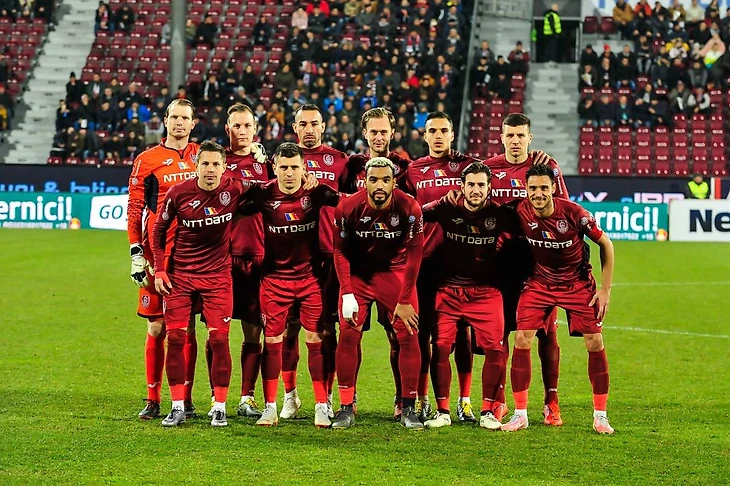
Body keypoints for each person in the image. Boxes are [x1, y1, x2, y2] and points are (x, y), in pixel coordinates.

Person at [501, 164, 615, 435]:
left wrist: (605, 290)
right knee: (522, 338)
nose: (538, 193)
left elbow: (606, 244)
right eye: (533, 188)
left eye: (544, 188)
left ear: (554, 188)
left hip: (576, 283)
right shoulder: (519, 211)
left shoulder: (575, 214)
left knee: (595, 341)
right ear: (526, 189)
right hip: (539, 283)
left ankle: (600, 416)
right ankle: (520, 414)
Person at [150, 141, 254, 427]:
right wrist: (159, 270)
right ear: (196, 165)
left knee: (219, 340)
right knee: (176, 339)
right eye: (205, 163)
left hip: (218, 278)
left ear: (224, 167)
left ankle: (219, 406)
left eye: (215, 164)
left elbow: (269, 187)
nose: (210, 169)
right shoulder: (178, 192)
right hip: (181, 276)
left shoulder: (235, 188)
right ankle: (177, 406)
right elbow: (158, 231)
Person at [239, 143, 341, 428]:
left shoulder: (315, 192)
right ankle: (270, 407)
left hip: (310, 281)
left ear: (303, 168)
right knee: (272, 342)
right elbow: (232, 205)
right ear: (274, 168)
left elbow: (347, 203)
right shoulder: (263, 193)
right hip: (274, 281)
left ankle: (322, 405)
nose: (289, 173)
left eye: (295, 167)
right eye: (283, 167)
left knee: (315, 340)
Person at [485, 113, 569, 425]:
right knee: (502, 331)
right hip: (502, 263)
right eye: (510, 135)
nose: (516, 141)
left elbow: (562, 212)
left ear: (530, 138)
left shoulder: (546, 167)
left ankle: (551, 401)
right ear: (502, 138)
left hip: (539, 262)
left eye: (521, 136)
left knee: (547, 334)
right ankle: (500, 400)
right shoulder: (489, 169)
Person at [330, 157, 425, 430]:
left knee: (408, 334)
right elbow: (339, 251)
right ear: (365, 182)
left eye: (386, 180)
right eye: (374, 180)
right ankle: (346, 407)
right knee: (348, 333)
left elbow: (415, 255)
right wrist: (347, 292)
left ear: (395, 182)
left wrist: (405, 299)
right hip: (358, 276)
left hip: (395, 273)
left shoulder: (409, 208)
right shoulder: (348, 207)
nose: (379, 185)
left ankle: (408, 407)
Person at [421, 162, 517, 430]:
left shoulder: (500, 214)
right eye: (471, 185)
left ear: (489, 187)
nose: (476, 190)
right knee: (440, 347)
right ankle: (442, 411)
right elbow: (414, 214)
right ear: (462, 187)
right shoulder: (446, 208)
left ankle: (487, 411)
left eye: (481, 185)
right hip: (449, 290)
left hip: (486, 293)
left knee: (495, 349)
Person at [404, 112, 481, 423]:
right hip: (425, 261)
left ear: (452, 134)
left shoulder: (468, 166)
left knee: (462, 333)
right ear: (425, 136)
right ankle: (423, 398)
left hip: (460, 262)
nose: (438, 136)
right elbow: (407, 211)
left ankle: (465, 401)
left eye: (444, 130)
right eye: (432, 131)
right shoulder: (413, 170)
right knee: (423, 333)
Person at [127, 99, 200, 421]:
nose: (179, 123)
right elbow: (134, 209)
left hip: (193, 255)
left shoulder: (203, 155)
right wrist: (135, 252)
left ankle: (186, 398)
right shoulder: (147, 160)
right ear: (165, 121)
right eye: (174, 117)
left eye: (185, 118)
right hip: (156, 254)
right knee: (157, 326)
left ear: (193, 123)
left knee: (187, 328)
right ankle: (153, 398)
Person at [338, 107, 411, 419]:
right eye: (373, 131)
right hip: (356, 267)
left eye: (384, 131)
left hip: (394, 267)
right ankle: (348, 398)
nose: (378, 136)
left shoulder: (405, 167)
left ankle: (402, 398)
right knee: (350, 331)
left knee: (399, 334)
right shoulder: (351, 166)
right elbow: (339, 202)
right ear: (365, 133)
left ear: (392, 133)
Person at [280, 104, 348, 420]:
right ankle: (289, 396)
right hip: (291, 256)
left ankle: (327, 397)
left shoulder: (340, 161)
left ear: (323, 126)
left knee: (327, 330)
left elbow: (348, 201)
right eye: (303, 124)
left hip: (329, 256)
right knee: (288, 328)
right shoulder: (283, 159)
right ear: (295, 127)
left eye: (314, 124)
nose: (309, 129)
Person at [217, 103, 271, 419]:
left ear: (255, 129)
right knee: (217, 333)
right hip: (222, 259)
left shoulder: (266, 165)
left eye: (247, 125)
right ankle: (218, 399)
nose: (242, 131)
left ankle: (246, 398)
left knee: (254, 332)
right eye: (236, 126)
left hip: (258, 258)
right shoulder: (216, 162)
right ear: (228, 129)